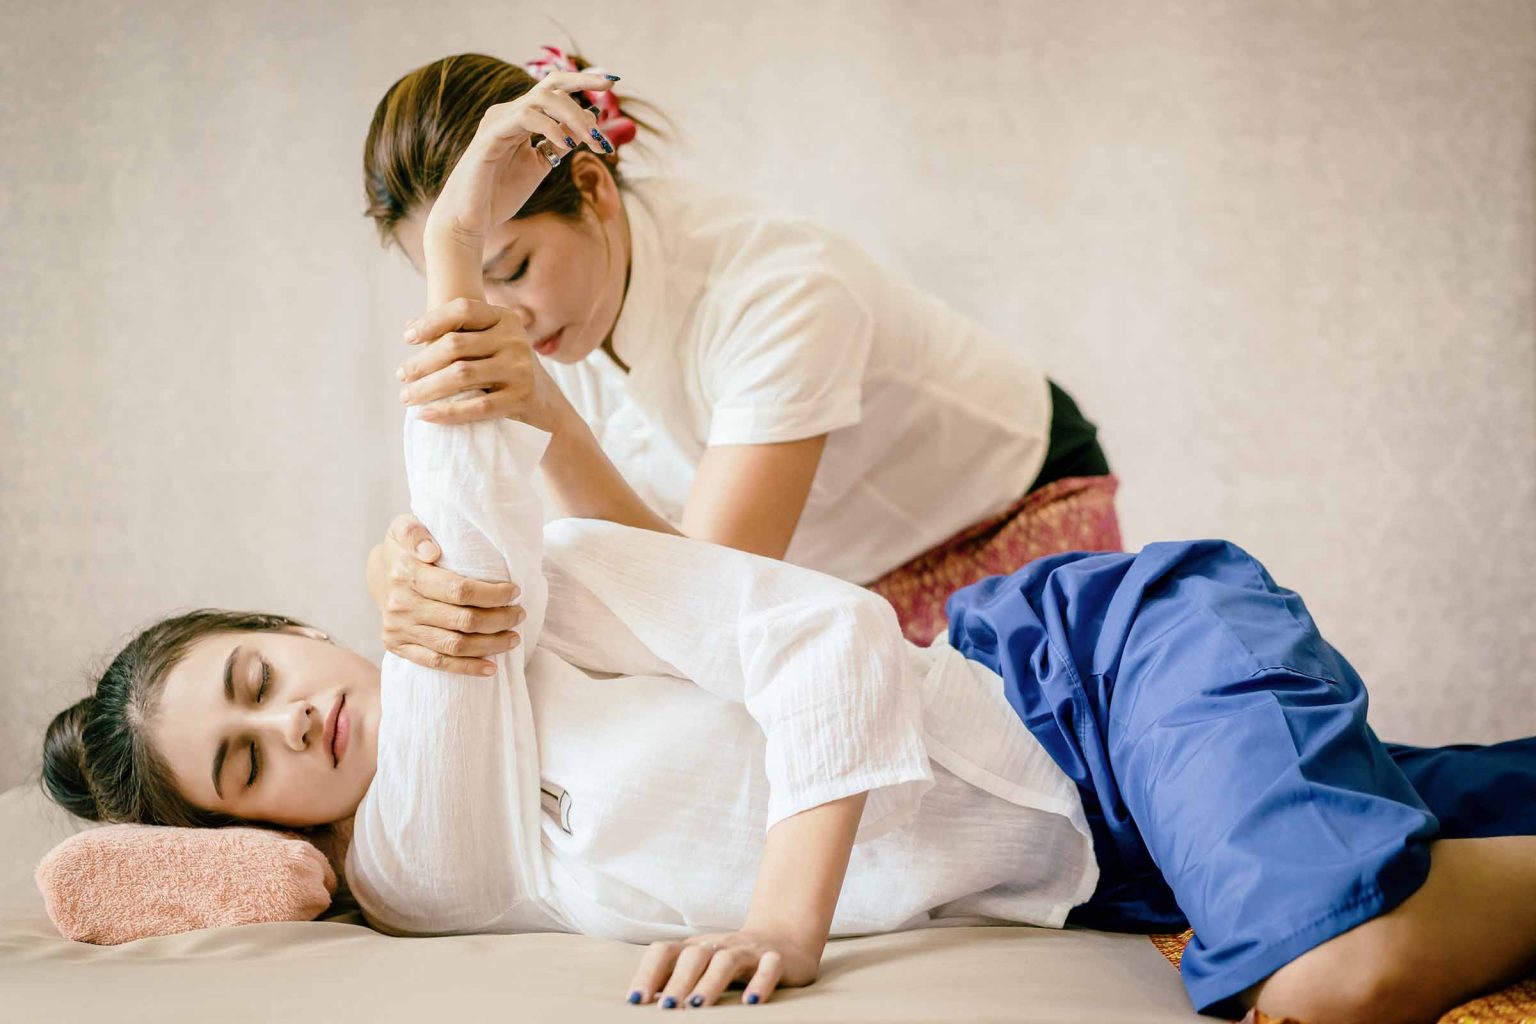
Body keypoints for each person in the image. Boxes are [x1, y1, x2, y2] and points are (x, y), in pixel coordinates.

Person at [43, 68, 1536, 1024]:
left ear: (597, 195)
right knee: (1388, 812)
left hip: (1054, 625)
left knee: (1333, 970)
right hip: (1039, 812)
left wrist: (779, 916)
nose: (291, 714)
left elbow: (756, 599)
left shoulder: (771, 292)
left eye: (257, 674)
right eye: (247, 760)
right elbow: (661, 565)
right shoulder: (426, 830)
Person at [361, 48, 1120, 675]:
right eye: (462, 274)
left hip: (1004, 514)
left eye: (513, 267)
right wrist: (397, 574)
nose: (507, 319)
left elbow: (709, 602)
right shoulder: (557, 303)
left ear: (592, 188)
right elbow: (509, 537)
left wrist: (551, 419)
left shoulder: (781, 295)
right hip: (836, 577)